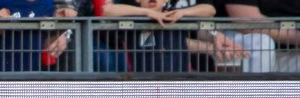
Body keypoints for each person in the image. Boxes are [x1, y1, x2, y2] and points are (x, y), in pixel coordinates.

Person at [101, 0, 256, 73]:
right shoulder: (135, 17)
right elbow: (108, 10)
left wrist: (183, 12)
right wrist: (147, 13)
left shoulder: (174, 14)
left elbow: (209, 9)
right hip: (142, 81)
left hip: (178, 79)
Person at [218, 0, 300, 72]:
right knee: (261, 42)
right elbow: (246, 20)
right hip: (244, 48)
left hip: (293, 52)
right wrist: (299, 38)